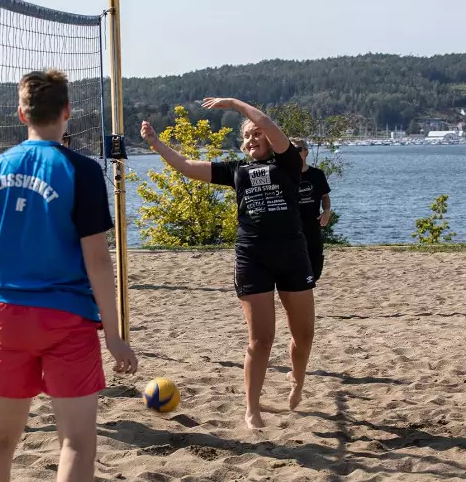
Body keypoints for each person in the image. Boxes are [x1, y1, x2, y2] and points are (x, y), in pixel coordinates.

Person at [0, 69, 137, 482]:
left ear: (22, 114)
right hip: (66, 317)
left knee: (0, 439)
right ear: (67, 111)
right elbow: (98, 261)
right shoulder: (82, 170)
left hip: (6, 316)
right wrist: (113, 336)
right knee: (76, 443)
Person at [140, 98, 314, 428]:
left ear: (270, 138)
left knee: (303, 336)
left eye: (257, 134)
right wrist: (155, 142)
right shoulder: (237, 170)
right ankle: (252, 409)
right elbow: (186, 165)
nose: (252, 139)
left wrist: (235, 104)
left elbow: (267, 123)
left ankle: (297, 381)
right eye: (247, 136)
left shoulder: (288, 161)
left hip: (292, 256)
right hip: (253, 257)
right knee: (261, 340)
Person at [292, 139, 331, 282]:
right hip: (292, 230)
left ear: (305, 152)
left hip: (312, 227)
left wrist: (326, 211)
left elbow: (325, 196)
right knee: (295, 271)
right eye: (290, 150)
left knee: (315, 270)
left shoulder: (317, 174)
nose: (294, 153)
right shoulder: (283, 175)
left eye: (298, 149)